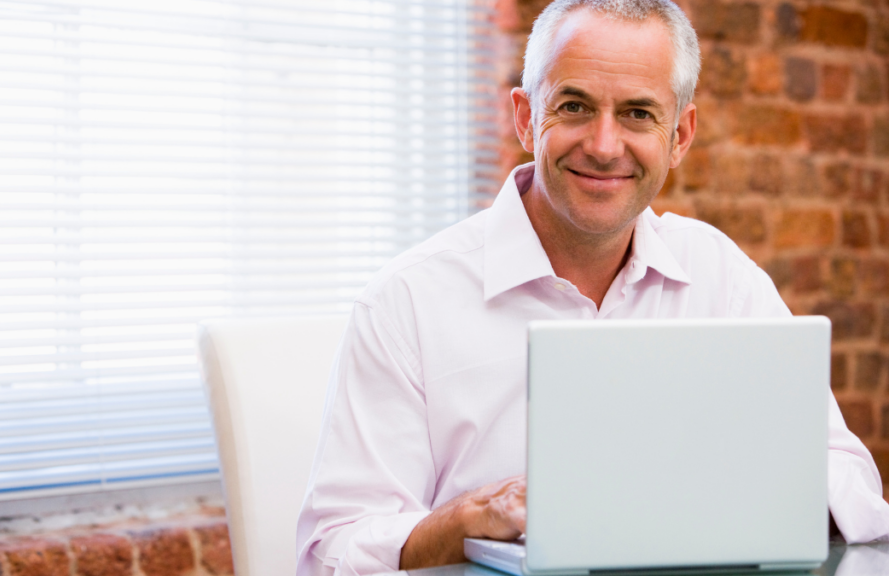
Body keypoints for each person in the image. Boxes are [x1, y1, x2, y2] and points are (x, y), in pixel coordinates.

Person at [295, 0, 889, 574]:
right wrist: (463, 522)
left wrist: (760, 489)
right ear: (527, 117)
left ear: (680, 135)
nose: (604, 147)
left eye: (638, 113)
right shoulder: (405, 303)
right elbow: (330, 554)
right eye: (575, 106)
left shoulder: (722, 277)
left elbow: (850, 482)